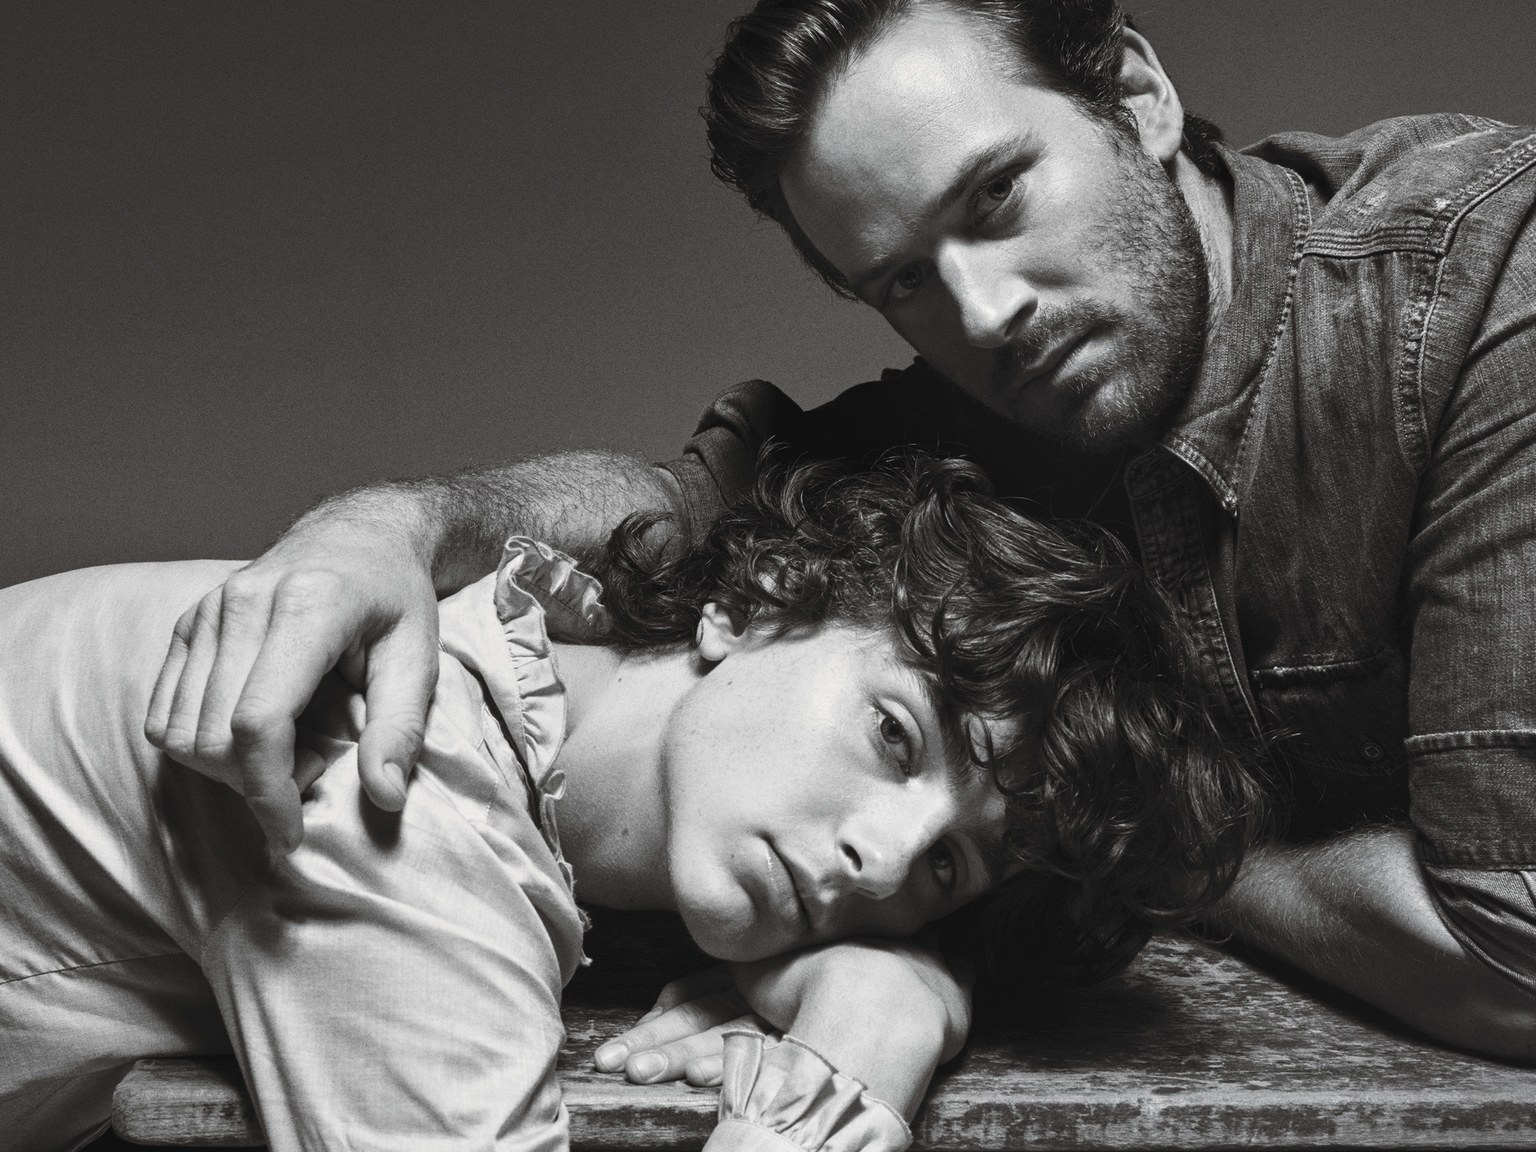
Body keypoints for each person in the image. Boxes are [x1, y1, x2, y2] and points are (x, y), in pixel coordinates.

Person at [143, 0, 1536, 1098]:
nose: (984, 314)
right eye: (903, 282)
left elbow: (1514, 955)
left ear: (1135, 93)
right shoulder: (953, 438)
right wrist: (396, 524)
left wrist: (1137, 846)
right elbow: (671, 514)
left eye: (995, 198)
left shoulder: (1473, 285)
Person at [0, 456, 1256, 1152]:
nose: (882, 863)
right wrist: (866, 1051)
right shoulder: (402, 792)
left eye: (947, 870)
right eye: (894, 736)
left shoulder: (537, 656)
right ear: (755, 601)